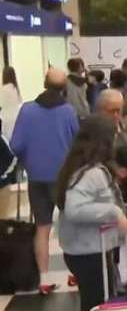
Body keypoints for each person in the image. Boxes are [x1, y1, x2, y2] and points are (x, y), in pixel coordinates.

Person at [55, 115, 127, 311]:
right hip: (90, 252)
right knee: (96, 310)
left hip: (82, 249)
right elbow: (75, 208)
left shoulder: (78, 166)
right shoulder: (91, 173)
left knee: (93, 308)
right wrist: (113, 212)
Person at [10, 68, 79, 295]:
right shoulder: (68, 111)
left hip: (36, 177)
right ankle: (75, 274)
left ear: (44, 84)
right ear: (63, 88)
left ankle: (43, 279)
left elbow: (16, 145)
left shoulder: (27, 110)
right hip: (63, 178)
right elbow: (77, 143)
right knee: (70, 224)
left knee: (42, 227)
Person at [0, 66, 22, 139]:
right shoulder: (15, 89)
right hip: (16, 118)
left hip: (5, 119)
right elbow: (20, 101)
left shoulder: (2, 90)